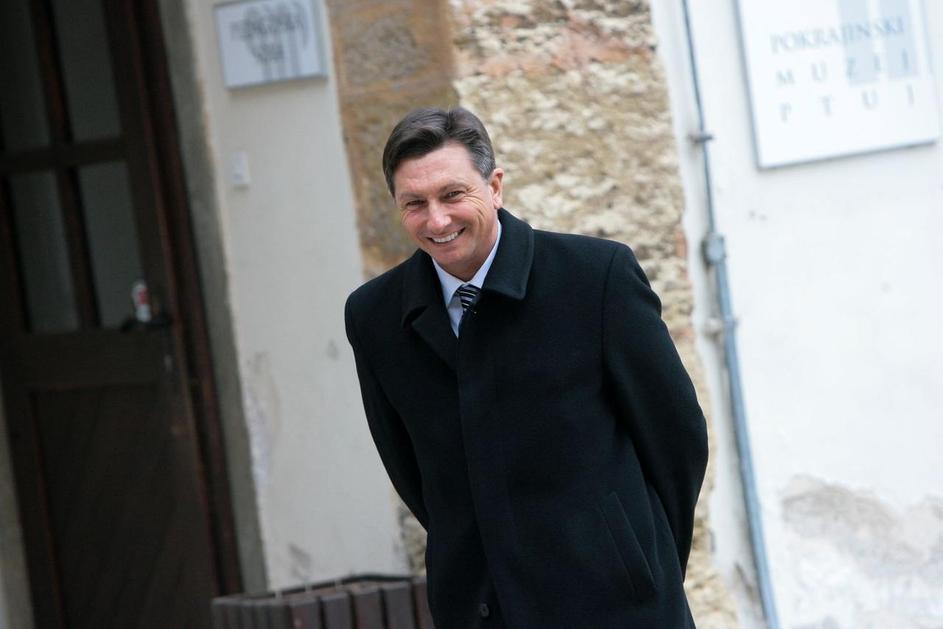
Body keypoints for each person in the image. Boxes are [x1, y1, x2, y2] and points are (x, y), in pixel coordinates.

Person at [344, 106, 708, 628]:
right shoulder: (374, 316)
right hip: (481, 610)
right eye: (415, 204)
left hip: (617, 608)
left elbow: (676, 439)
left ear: (494, 187)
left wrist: (641, 565)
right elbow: (410, 472)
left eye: (453, 194)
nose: (437, 220)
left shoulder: (596, 278)